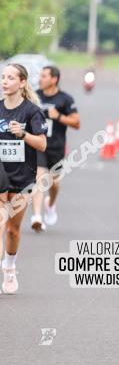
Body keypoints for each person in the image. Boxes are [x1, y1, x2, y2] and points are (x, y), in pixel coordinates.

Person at [0, 64, 48, 294]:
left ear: (22, 83)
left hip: (22, 176)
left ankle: (10, 266)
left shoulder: (32, 112)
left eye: (10, 77)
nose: (5, 81)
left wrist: (23, 134)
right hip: (0, 175)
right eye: (3, 77)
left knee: (13, 229)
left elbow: (42, 143)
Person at [31, 65, 80, 231]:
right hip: (39, 144)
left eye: (44, 76)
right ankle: (37, 216)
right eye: (40, 75)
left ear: (54, 79)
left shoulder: (65, 99)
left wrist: (58, 116)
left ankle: (50, 204)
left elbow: (76, 122)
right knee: (39, 176)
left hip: (57, 147)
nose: (40, 79)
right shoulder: (34, 96)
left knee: (54, 183)